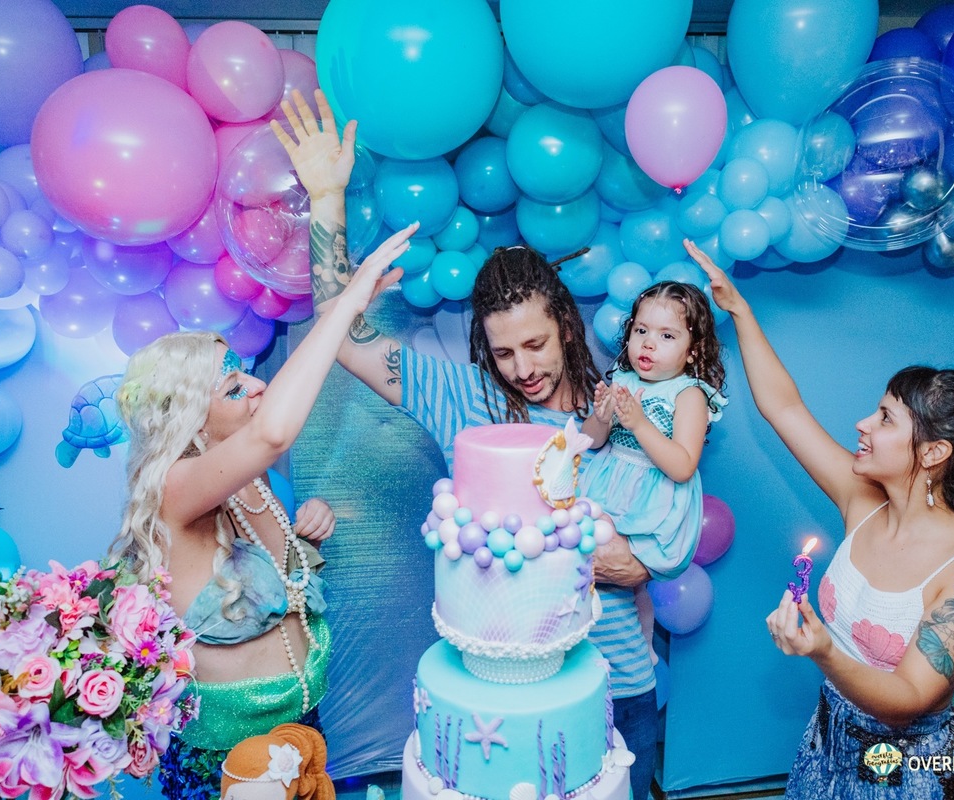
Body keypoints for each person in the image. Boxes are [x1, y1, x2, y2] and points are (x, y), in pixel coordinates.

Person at [271, 89, 674, 800]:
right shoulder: (468, 402)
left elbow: (659, 536)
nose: (525, 366)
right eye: (505, 351)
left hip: (618, 679)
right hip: (506, 698)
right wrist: (327, 200)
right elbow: (345, 336)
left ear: (568, 327)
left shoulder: (627, 406)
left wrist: (638, 564)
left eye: (537, 343)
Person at [684, 238, 954, 799]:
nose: (862, 424)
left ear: (932, 453)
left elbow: (910, 699)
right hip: (825, 743)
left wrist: (822, 648)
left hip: (908, 771)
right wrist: (739, 310)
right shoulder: (862, 500)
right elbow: (784, 407)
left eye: (884, 418)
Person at [108, 226, 414, 800]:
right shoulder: (176, 490)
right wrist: (347, 303)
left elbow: (272, 587)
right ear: (191, 421)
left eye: (246, 370)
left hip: (302, 736)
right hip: (225, 765)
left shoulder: (259, 485)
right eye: (232, 387)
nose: (255, 384)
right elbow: (274, 432)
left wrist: (309, 533)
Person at [579, 281, 727, 657]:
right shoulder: (622, 380)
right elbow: (591, 442)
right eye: (641, 331)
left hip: (652, 495)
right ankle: (584, 631)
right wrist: (601, 418)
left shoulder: (689, 395)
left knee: (627, 578)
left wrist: (640, 424)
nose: (648, 343)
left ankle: (639, 646)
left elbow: (682, 465)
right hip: (610, 481)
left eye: (666, 335)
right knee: (587, 542)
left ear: (693, 352)